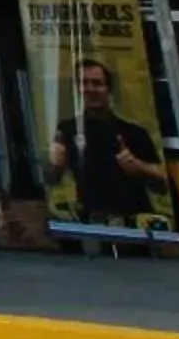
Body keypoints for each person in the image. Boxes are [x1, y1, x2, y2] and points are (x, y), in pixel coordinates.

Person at [47, 56, 169, 223]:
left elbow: (162, 186)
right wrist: (56, 165)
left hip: (134, 222)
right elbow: (51, 181)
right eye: (84, 83)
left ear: (109, 90)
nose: (90, 89)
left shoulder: (133, 132)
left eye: (97, 83)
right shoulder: (67, 130)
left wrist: (138, 166)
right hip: (92, 222)